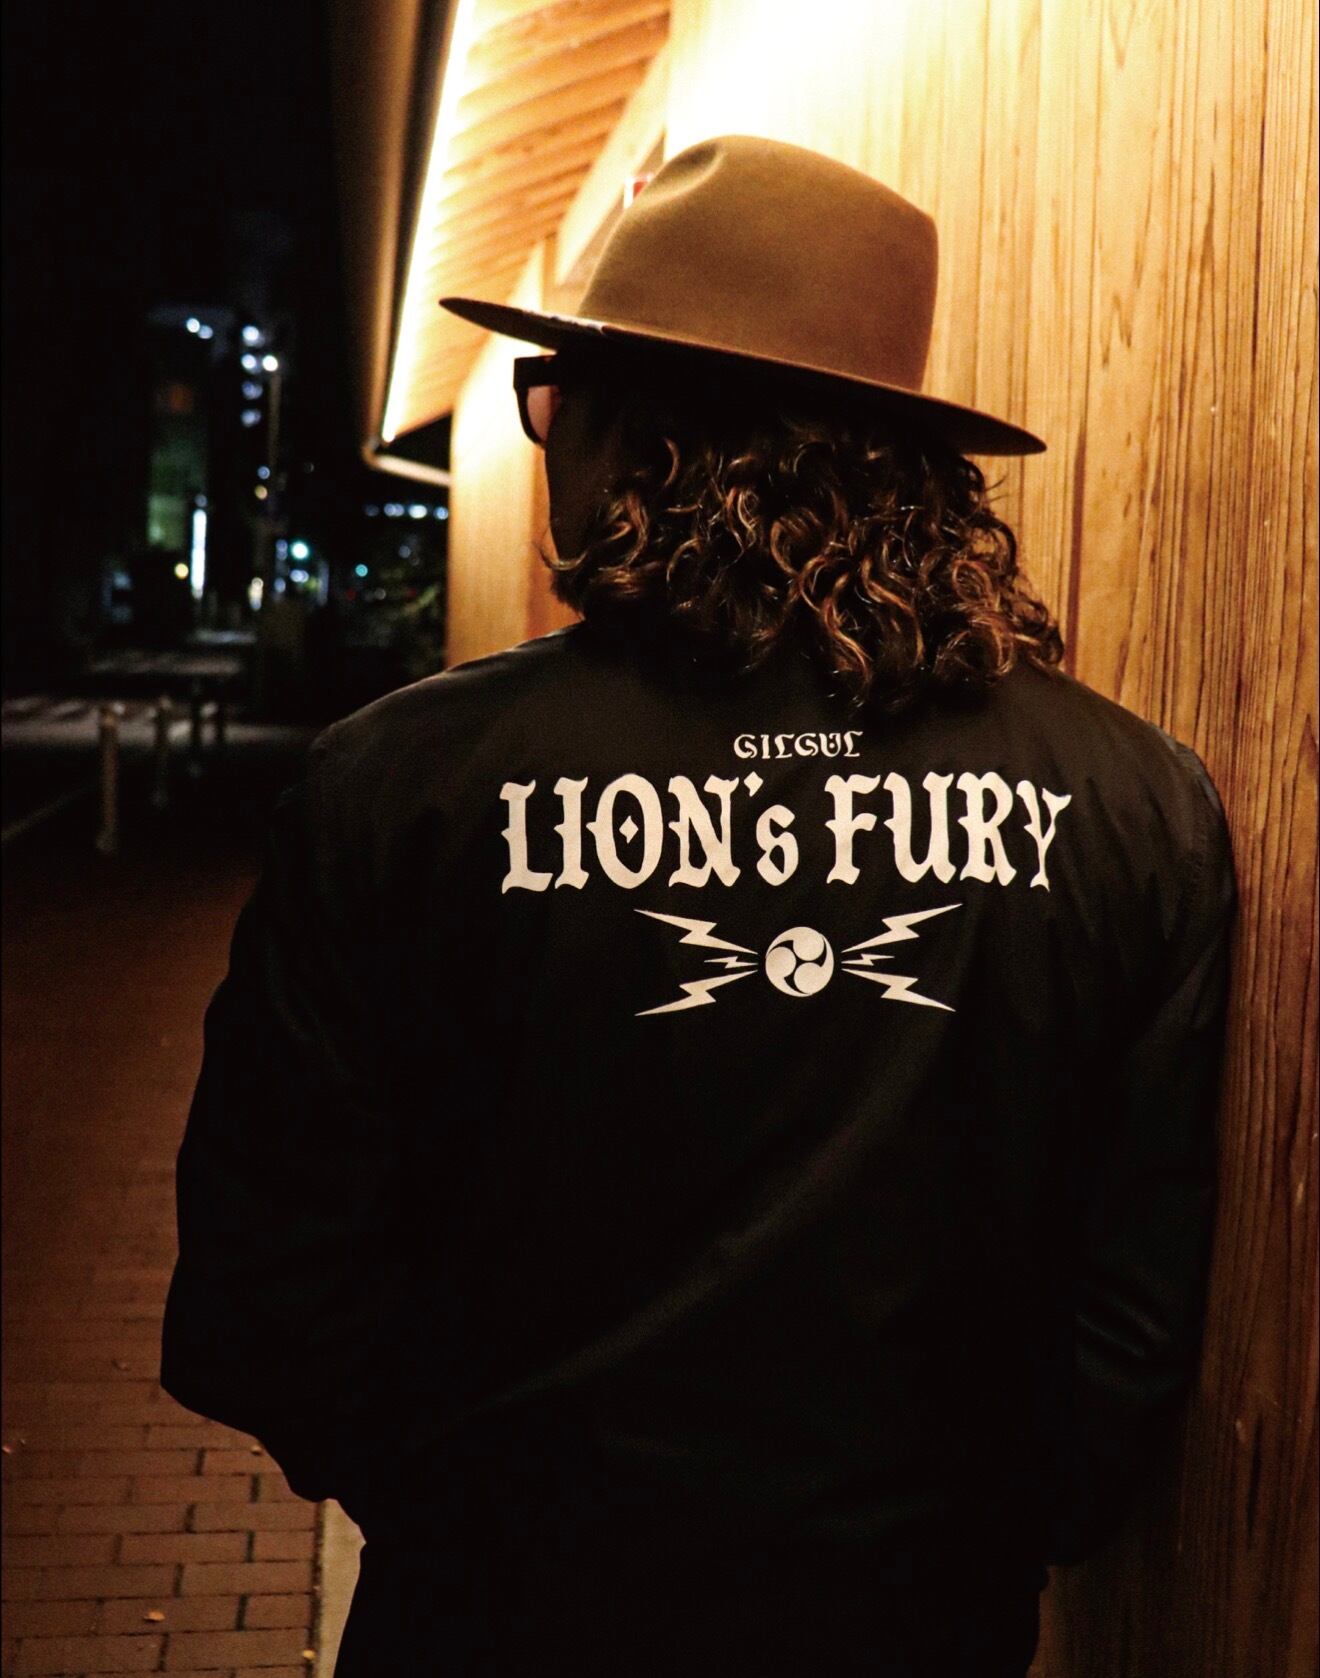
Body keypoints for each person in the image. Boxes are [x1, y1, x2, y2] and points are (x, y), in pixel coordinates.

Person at [161, 136, 1236, 1676]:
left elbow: (264, 1290)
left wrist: (461, 1506)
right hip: (917, 1626)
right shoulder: (1138, 807)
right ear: (909, 464)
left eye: (552, 395)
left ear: (639, 435)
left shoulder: (398, 788)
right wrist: (968, 1536)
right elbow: (1133, 1323)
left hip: (493, 1620)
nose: (547, 439)